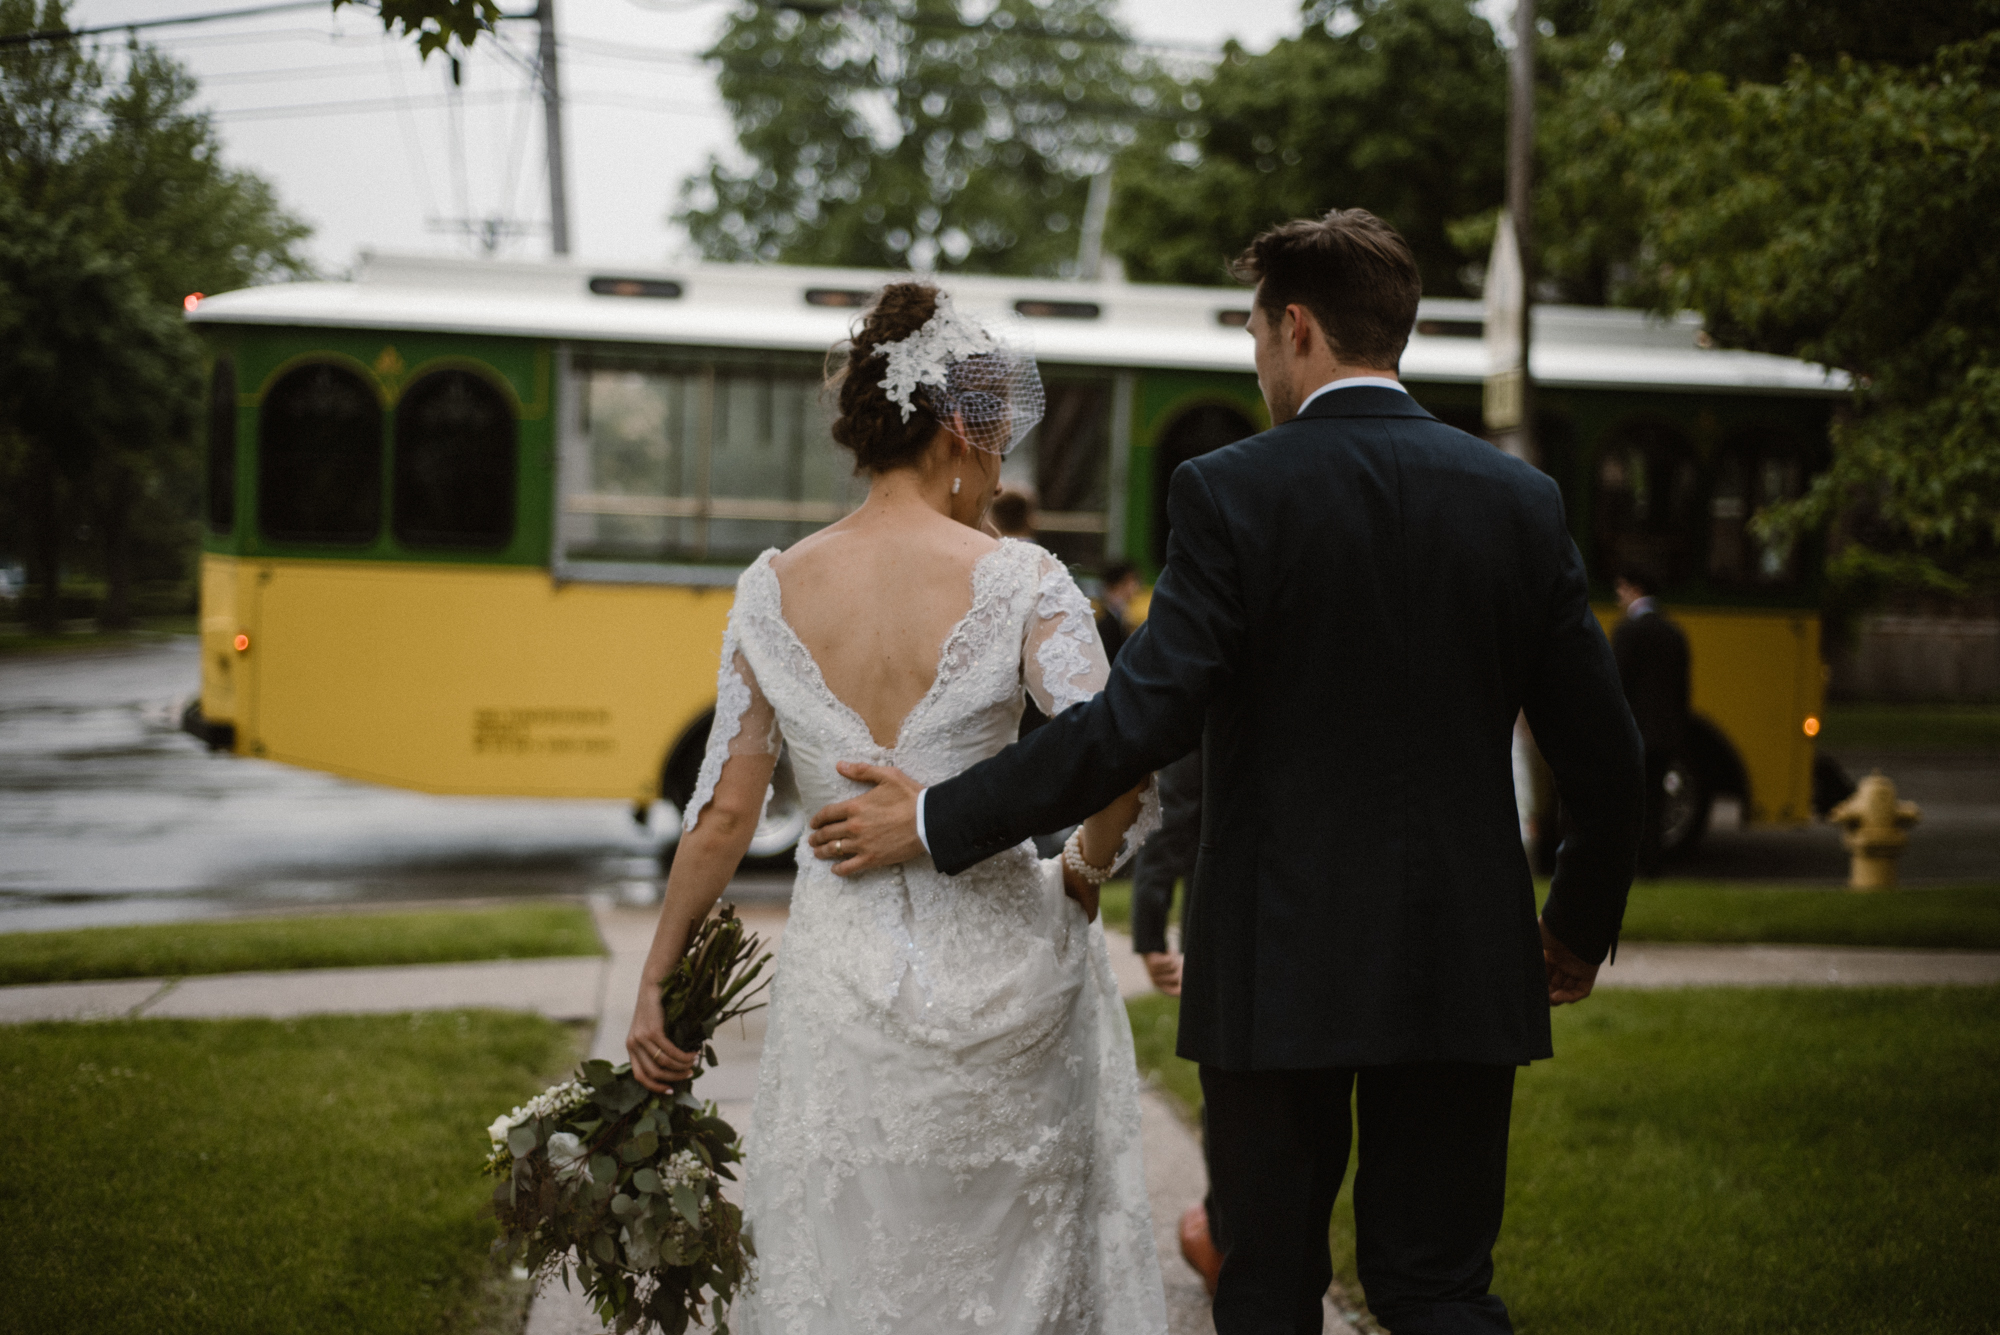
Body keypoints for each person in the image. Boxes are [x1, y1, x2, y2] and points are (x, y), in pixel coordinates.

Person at [805, 209, 1645, 1335]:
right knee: (1438, 1286)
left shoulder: (1232, 493)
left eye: (1255, 340)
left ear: (1295, 327)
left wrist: (943, 815)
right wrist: (1576, 925)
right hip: (1461, 958)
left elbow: (1136, 720)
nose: (1257, 368)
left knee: (1266, 1283)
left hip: (1277, 960)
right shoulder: (1518, 502)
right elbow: (1607, 755)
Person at [623, 282, 1168, 1335]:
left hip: (843, 986)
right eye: (999, 442)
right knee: (1008, 1270)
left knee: (849, 1267)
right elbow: (1117, 762)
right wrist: (1085, 872)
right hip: (1008, 970)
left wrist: (655, 982)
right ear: (958, 430)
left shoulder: (773, 587)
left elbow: (724, 819)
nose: (999, 469)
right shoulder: (1023, 579)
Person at [1612, 564, 1691, 877]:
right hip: (1665, 734)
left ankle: (1631, 863)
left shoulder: (1627, 631)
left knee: (1629, 802)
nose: (1619, 597)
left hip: (1632, 733)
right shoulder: (1674, 632)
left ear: (1635, 590)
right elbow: (1682, 689)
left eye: (1621, 589)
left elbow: (1615, 685)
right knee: (1655, 802)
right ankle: (1652, 863)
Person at [1097, 560, 1140, 661]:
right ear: (1120, 584)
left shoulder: (1120, 615)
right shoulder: (1105, 621)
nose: (1137, 587)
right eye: (1133, 582)